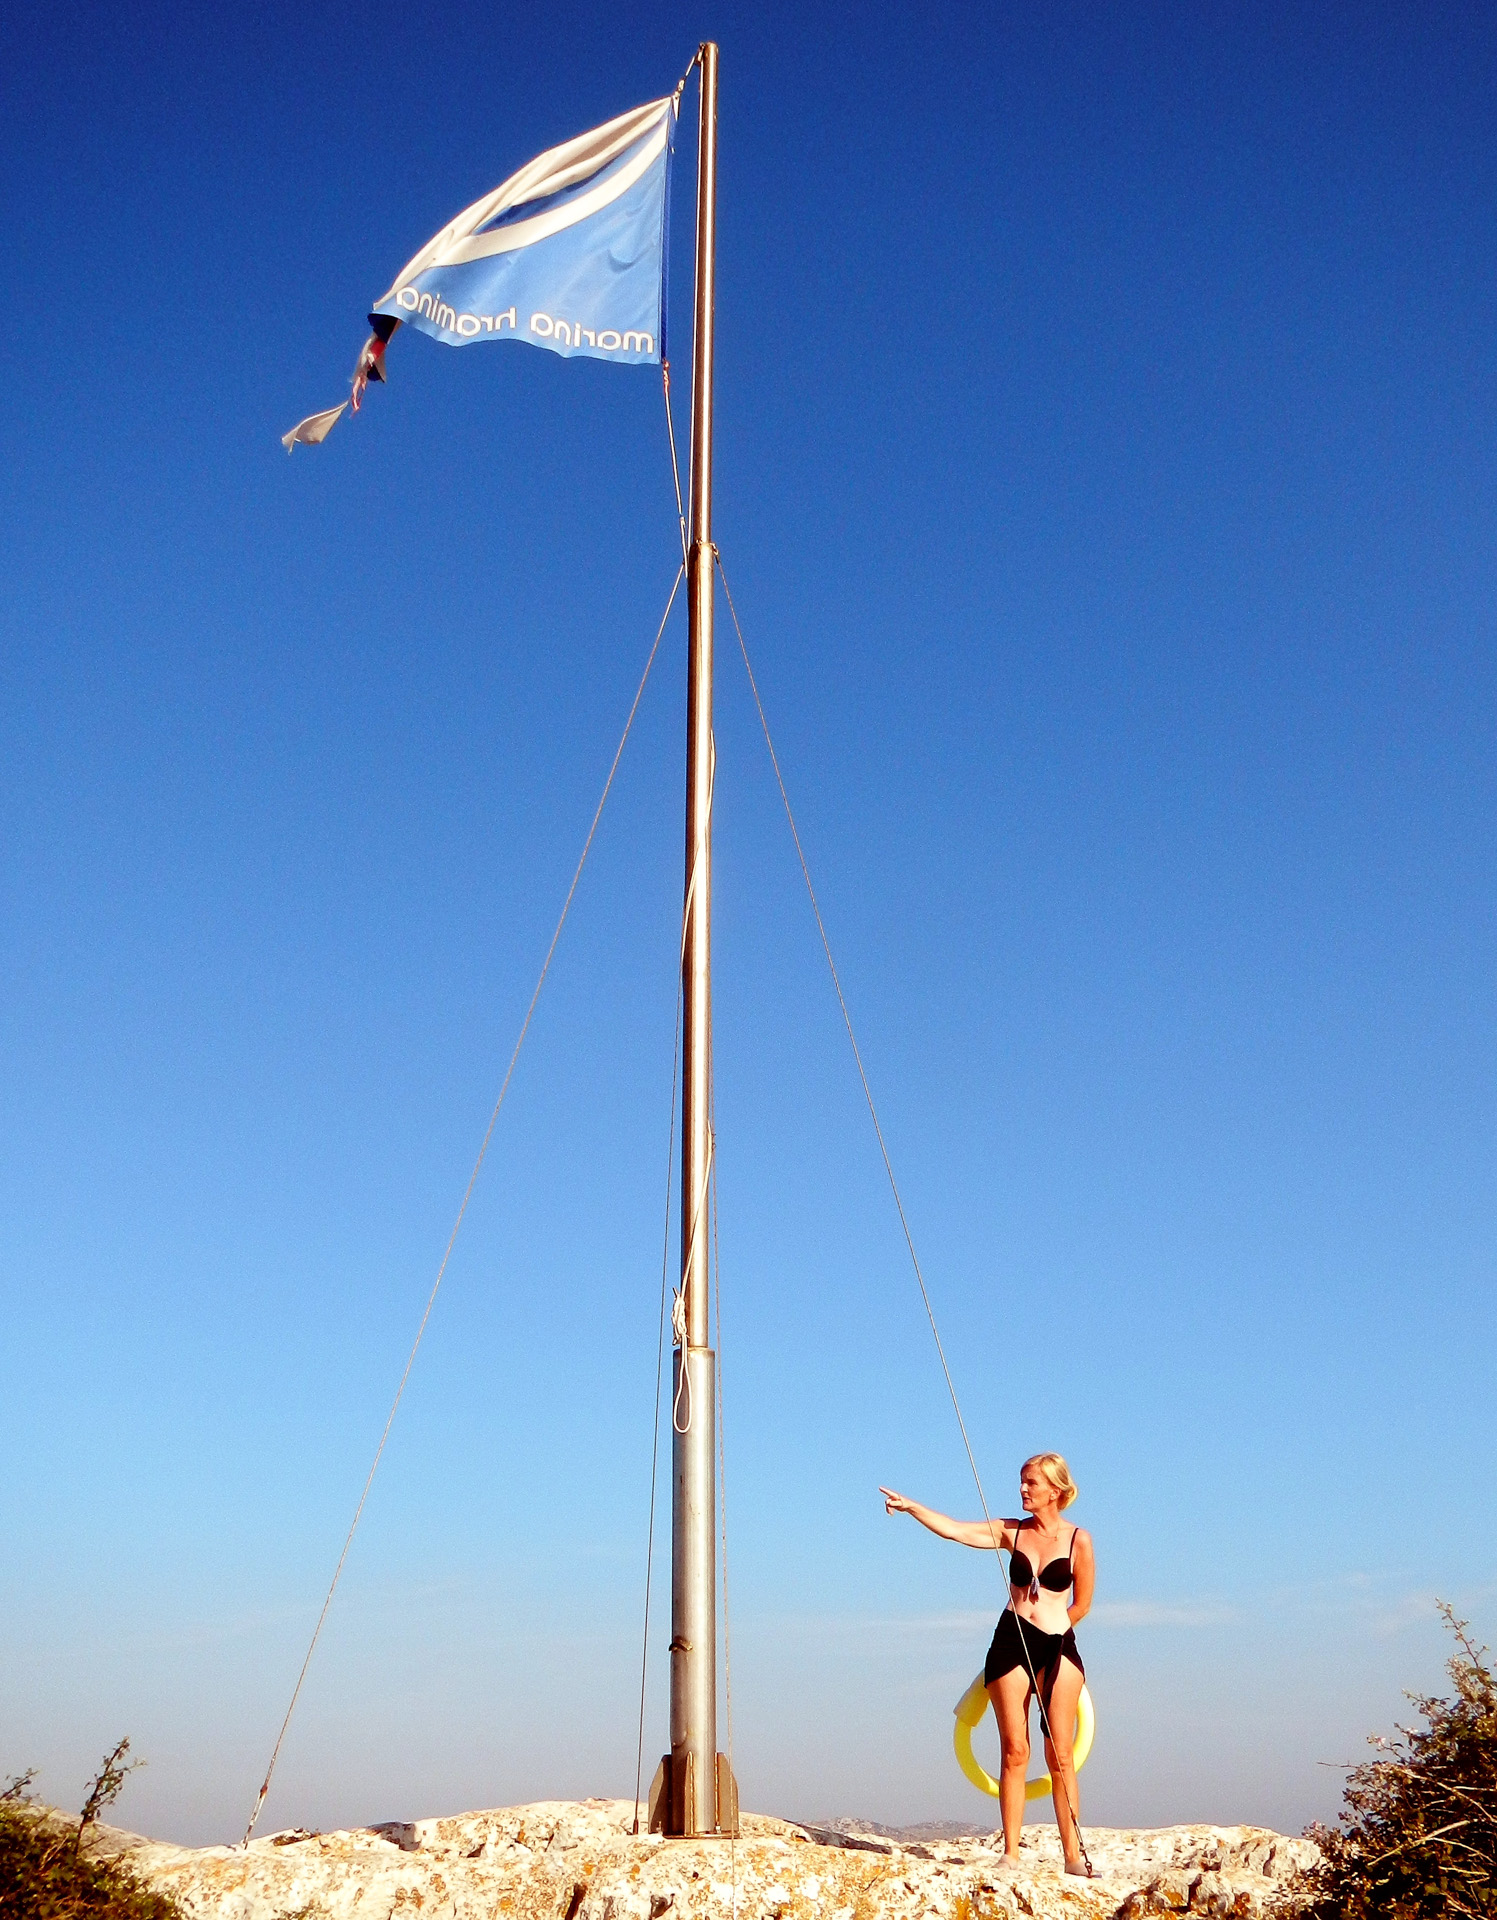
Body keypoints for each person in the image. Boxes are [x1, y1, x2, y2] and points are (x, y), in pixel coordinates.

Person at [880, 1454, 1094, 1874]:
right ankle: (1010, 1852)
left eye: (1031, 1482)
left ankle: (1073, 1857)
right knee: (1015, 1750)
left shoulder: (1078, 1540)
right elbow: (957, 1530)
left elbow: (1082, 1602)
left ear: (1055, 1489)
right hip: (1012, 1639)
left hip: (1056, 1644)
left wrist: (1054, 1631)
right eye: (1021, 1481)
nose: (1022, 1489)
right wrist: (914, 1508)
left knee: (1060, 1754)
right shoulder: (1009, 1531)